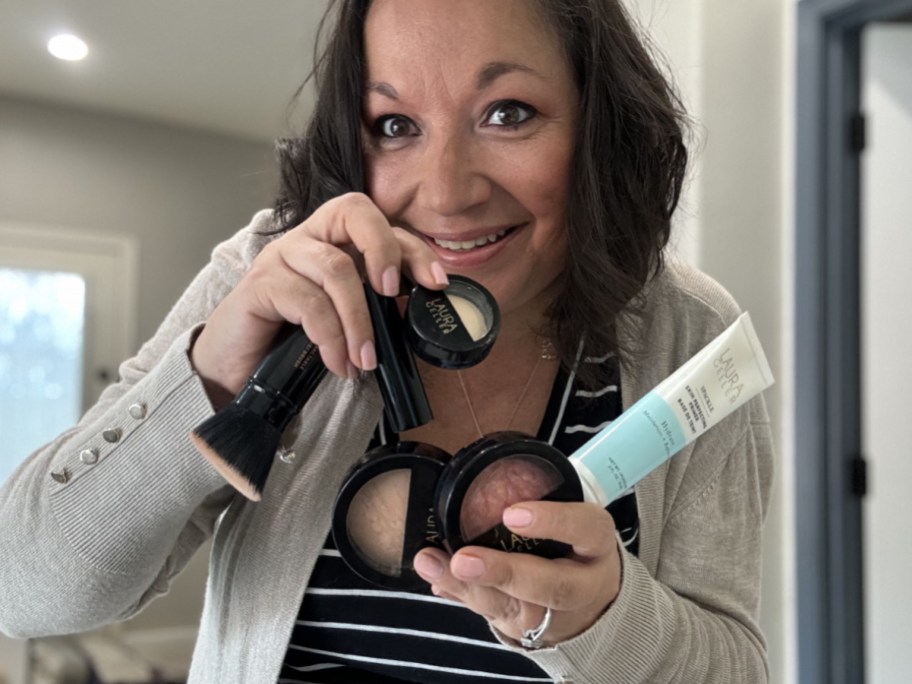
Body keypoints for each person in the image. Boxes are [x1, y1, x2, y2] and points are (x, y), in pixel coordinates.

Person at [0, 0, 774, 682]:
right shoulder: (273, 275)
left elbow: (737, 668)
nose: (445, 192)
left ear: (598, 124)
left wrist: (608, 622)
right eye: (395, 126)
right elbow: (24, 588)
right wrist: (212, 376)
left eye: (507, 112)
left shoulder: (686, 337)